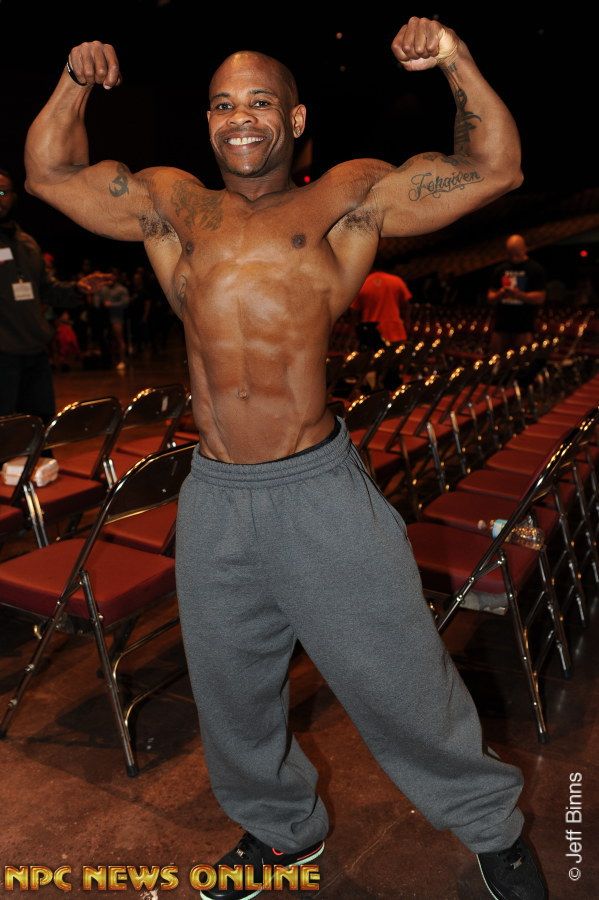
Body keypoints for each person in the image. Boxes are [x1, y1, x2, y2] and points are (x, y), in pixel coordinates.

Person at [24, 18, 547, 900]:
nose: (239, 118)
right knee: (232, 691)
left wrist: (454, 59)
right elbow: (49, 173)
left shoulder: (345, 197)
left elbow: (495, 168)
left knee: (401, 681)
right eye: (222, 104)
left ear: (295, 119)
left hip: (317, 491)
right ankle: (279, 834)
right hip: (216, 493)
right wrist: (74, 80)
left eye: (259, 102)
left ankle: (492, 831)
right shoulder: (173, 204)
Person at [0, 168, 94, 422]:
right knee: (6, 432)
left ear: (13, 197)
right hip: (3, 354)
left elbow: (47, 290)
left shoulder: (28, 244)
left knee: (39, 426)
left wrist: (77, 288)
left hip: (35, 352)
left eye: (2, 192)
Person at [487, 234, 546, 351]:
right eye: (510, 254)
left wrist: (519, 295)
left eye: (517, 254)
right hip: (501, 325)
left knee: (521, 358)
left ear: (525, 249)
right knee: (496, 357)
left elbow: (540, 298)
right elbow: (490, 297)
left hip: (524, 327)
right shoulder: (501, 270)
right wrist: (501, 293)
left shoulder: (535, 269)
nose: (514, 258)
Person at [351, 265, 412, 346]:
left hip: (370, 333)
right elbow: (406, 306)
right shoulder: (396, 281)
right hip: (395, 331)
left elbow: (354, 312)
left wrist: (356, 332)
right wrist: (407, 323)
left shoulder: (362, 283)